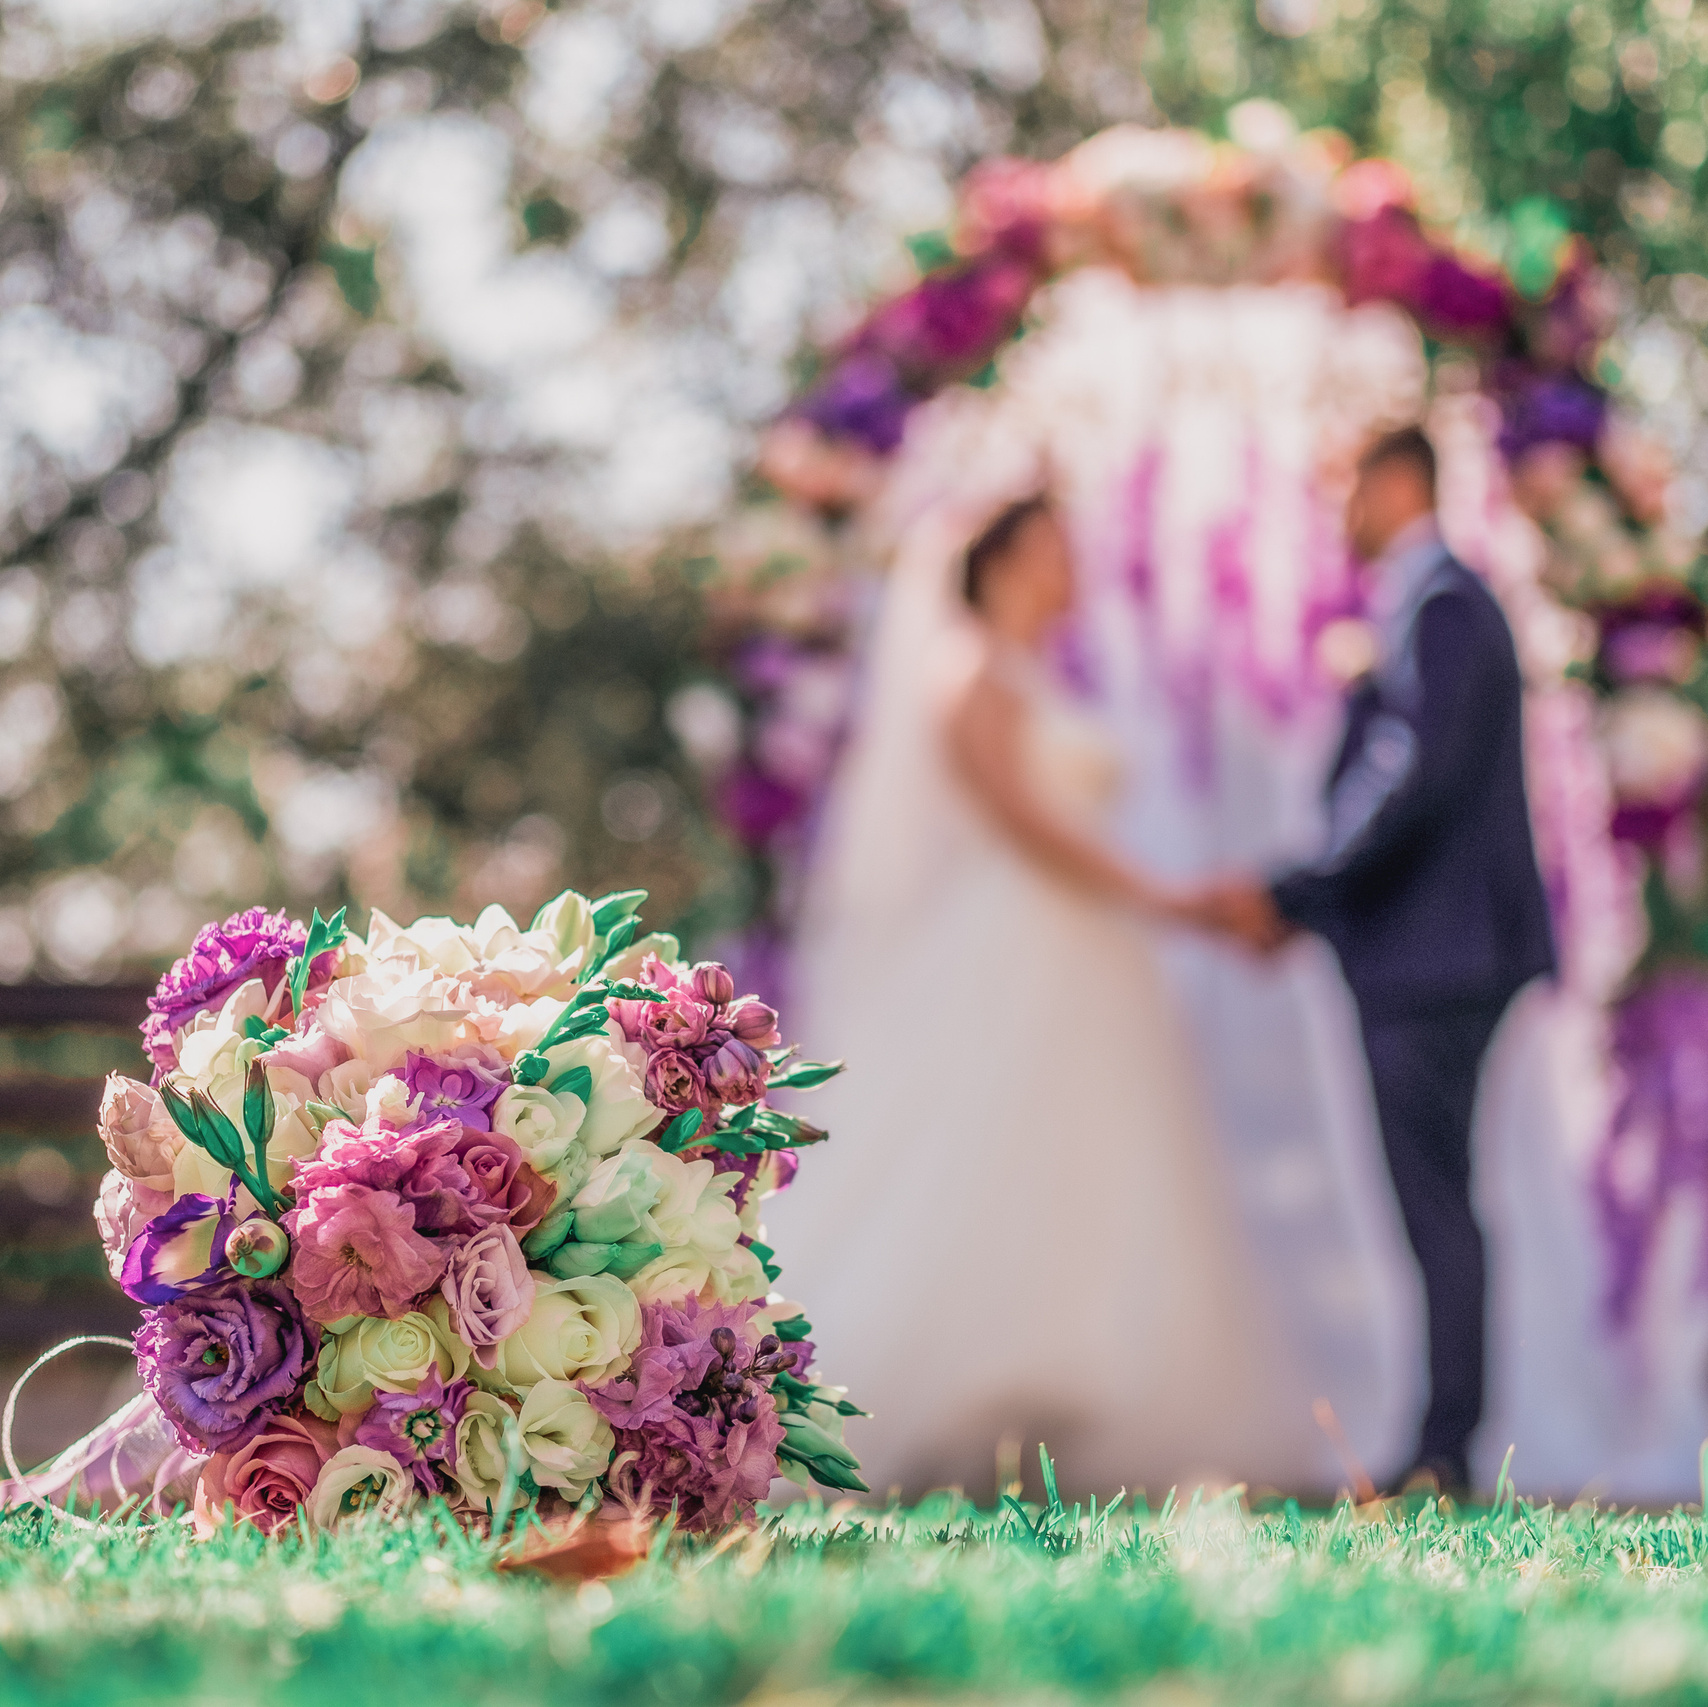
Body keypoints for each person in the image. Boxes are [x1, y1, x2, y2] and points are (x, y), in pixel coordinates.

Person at [765, 494, 1324, 1499]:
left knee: (1081, 1172)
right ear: (1010, 561)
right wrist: (1172, 900)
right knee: (983, 1161)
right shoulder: (972, 674)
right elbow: (1031, 828)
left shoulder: (1022, 675)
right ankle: (941, 1392)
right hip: (1014, 947)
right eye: (1058, 551)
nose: (1076, 570)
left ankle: (1068, 1397)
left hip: (1084, 953)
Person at [1204, 427, 1556, 1496]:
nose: (1340, 513)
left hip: (1435, 960)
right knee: (1432, 1200)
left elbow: (1414, 774)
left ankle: (1445, 1452)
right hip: (1428, 956)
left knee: (1434, 1202)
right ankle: (1441, 1441)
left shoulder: (1442, 607)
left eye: (1349, 488)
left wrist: (1294, 891)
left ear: (1398, 482)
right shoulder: (1431, 608)